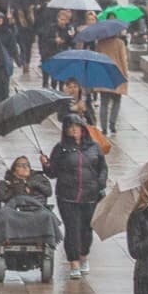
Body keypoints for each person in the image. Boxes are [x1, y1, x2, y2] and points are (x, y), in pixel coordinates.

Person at [43, 114, 111, 279]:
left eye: (76, 126)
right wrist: (46, 165)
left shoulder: (94, 147)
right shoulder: (60, 149)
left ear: (82, 128)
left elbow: (103, 168)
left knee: (86, 229)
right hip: (67, 196)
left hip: (90, 196)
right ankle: (73, 262)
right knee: (72, 229)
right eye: (70, 127)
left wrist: (100, 183)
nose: (74, 130)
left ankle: (83, 255)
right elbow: (53, 173)